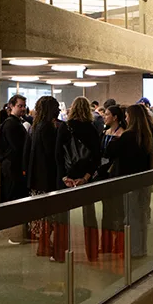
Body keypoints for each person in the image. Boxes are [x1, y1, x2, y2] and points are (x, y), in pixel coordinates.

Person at [104, 105, 153, 258]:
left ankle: (133, 249)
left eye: (127, 116)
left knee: (131, 216)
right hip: (145, 180)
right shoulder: (147, 135)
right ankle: (142, 248)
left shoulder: (127, 136)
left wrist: (115, 137)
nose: (125, 118)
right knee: (141, 215)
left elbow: (109, 151)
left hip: (130, 181)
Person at [56, 96, 101, 260]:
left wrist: (64, 177)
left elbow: (58, 155)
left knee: (62, 216)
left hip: (67, 175)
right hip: (85, 176)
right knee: (89, 215)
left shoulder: (65, 127)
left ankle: (61, 252)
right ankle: (92, 252)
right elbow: (96, 156)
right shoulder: (91, 128)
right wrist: (87, 177)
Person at [23, 96, 64, 259]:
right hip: (46, 177)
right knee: (49, 214)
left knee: (41, 214)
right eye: (56, 107)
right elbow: (51, 153)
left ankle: (43, 244)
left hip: (35, 177)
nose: (59, 110)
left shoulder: (35, 127)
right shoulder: (47, 127)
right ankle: (45, 244)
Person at [98, 105, 127, 255]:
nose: (104, 116)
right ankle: (106, 243)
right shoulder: (104, 133)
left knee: (118, 210)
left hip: (116, 174)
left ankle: (119, 242)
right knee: (107, 210)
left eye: (107, 114)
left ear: (115, 117)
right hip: (104, 175)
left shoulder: (122, 134)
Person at [0, 94, 29, 204]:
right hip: (12, 167)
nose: (23, 109)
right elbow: (17, 147)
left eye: (24, 106)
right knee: (13, 198)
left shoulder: (16, 122)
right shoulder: (10, 124)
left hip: (14, 166)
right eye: (20, 106)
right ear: (12, 106)